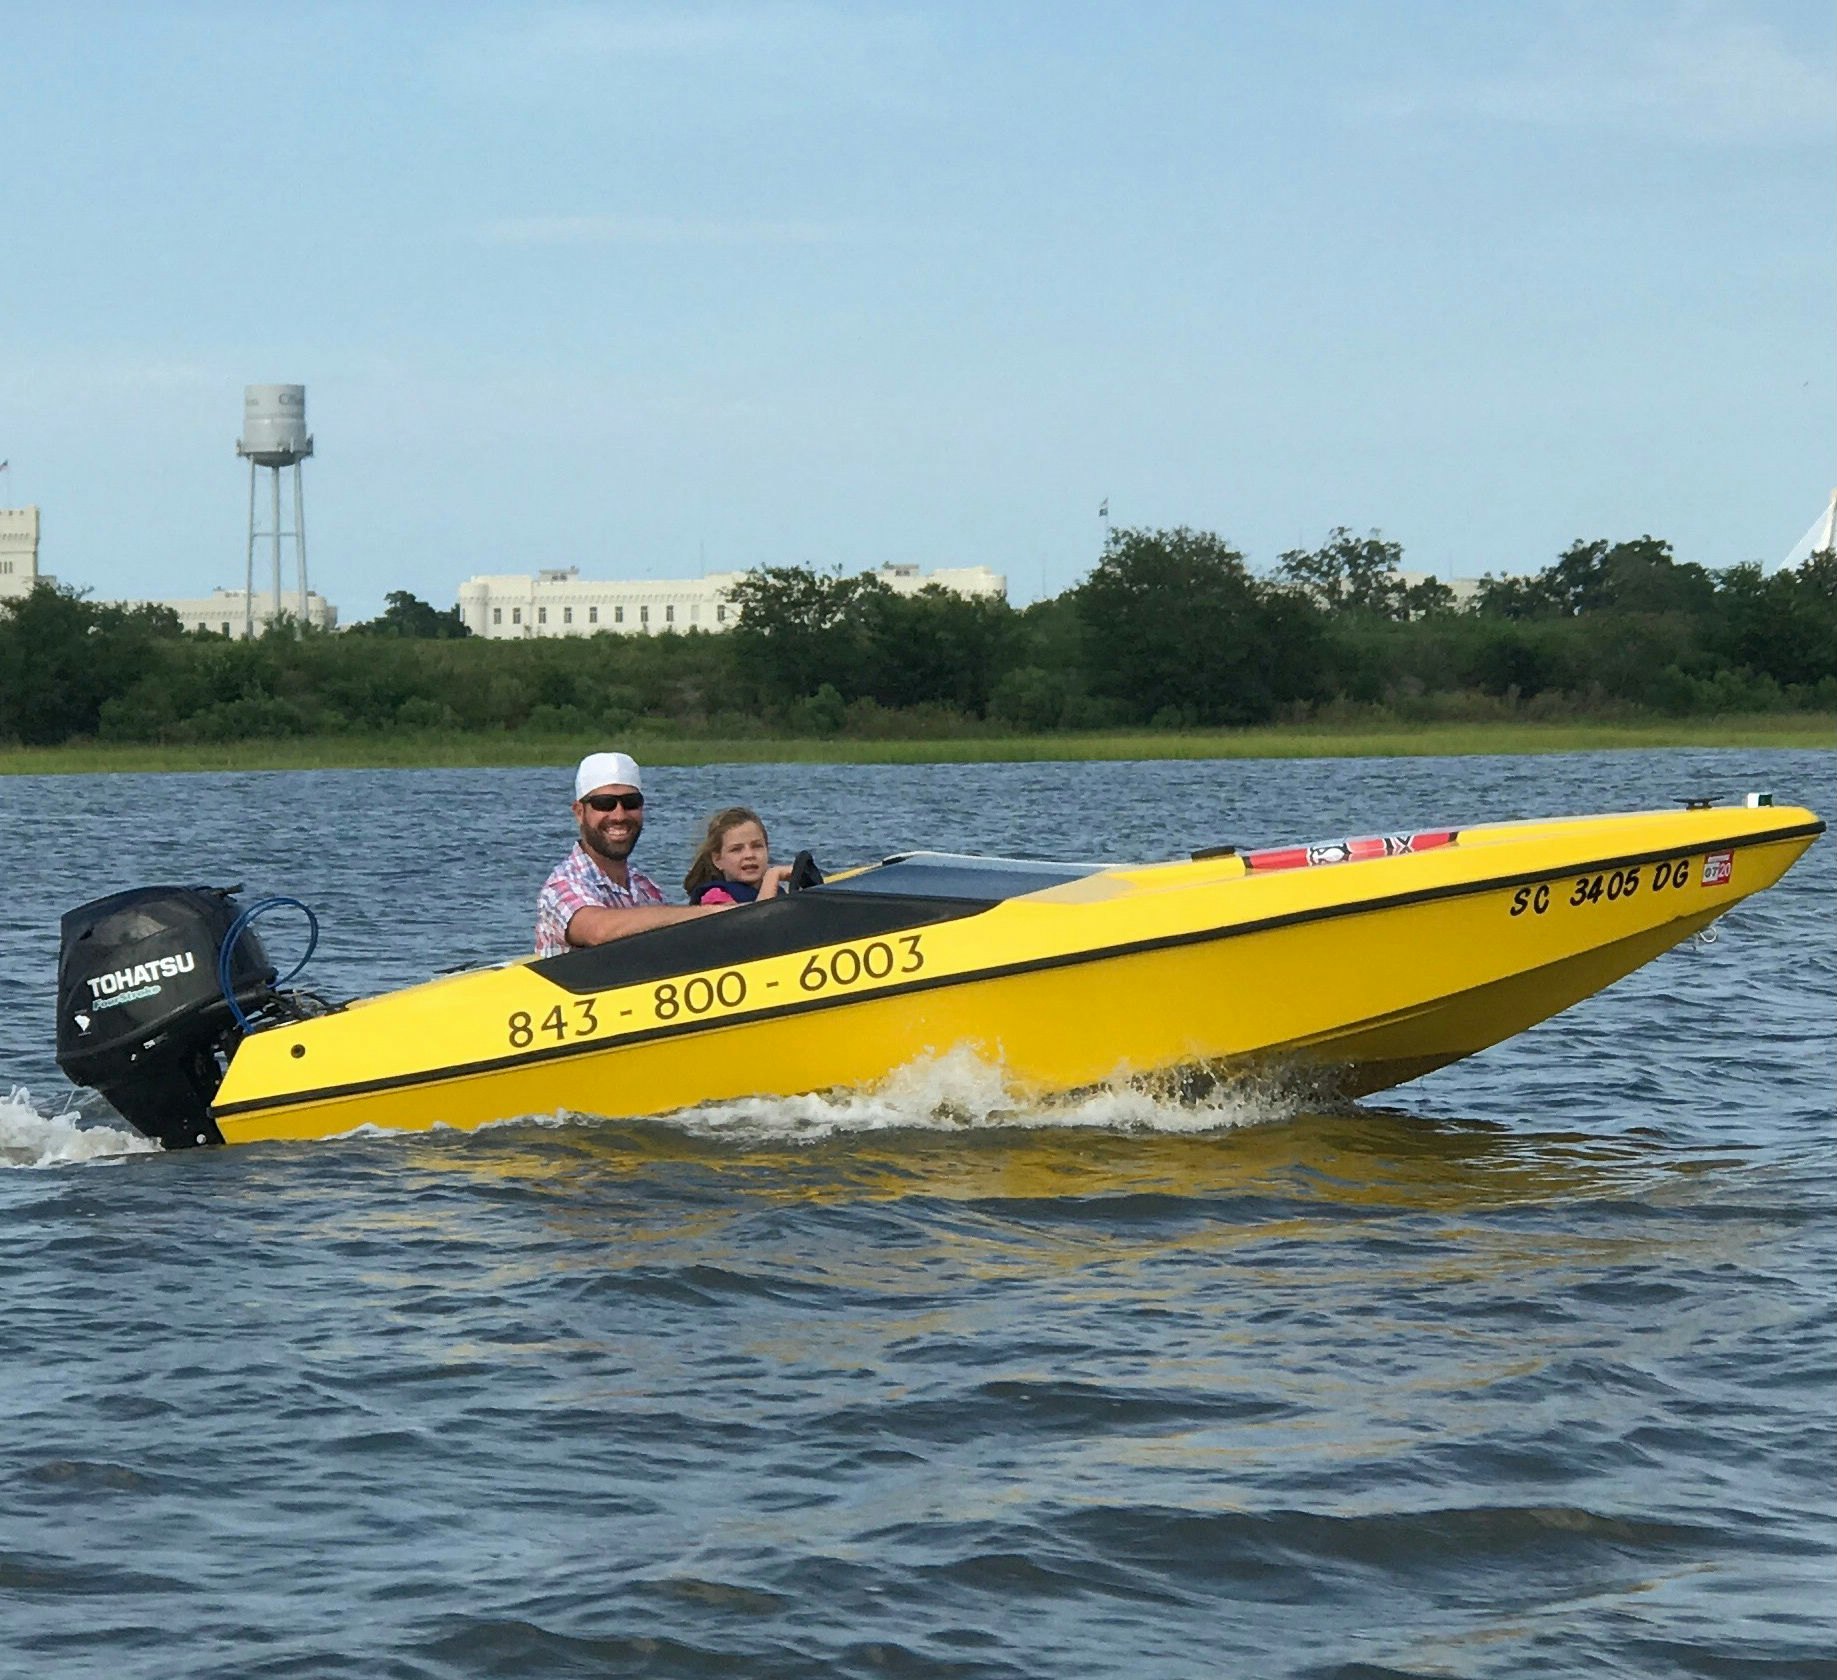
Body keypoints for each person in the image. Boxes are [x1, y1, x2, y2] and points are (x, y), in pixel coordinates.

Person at [533, 752, 730, 957]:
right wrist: (713, 913)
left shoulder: (646, 888)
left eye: (630, 802)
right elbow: (599, 930)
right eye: (604, 804)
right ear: (579, 812)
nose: (619, 815)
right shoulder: (562, 885)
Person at [683, 806, 789, 905]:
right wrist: (772, 875)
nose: (749, 855)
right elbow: (760, 919)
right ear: (717, 859)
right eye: (736, 849)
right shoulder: (715, 898)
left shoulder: (778, 893)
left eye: (757, 846)